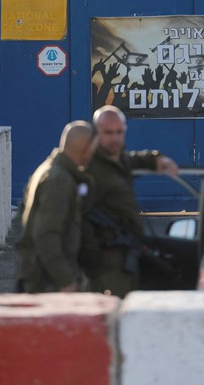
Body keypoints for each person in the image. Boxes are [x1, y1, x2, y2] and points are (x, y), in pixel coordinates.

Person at [83, 105, 178, 297]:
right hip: (104, 257)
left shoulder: (118, 160)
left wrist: (156, 159)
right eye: (108, 133)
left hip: (127, 251)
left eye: (119, 132)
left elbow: (134, 160)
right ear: (96, 132)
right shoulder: (89, 168)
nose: (115, 138)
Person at [17, 121, 96, 293]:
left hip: (40, 277)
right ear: (85, 148)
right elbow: (46, 236)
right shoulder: (59, 180)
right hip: (47, 283)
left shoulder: (49, 170)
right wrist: (65, 280)